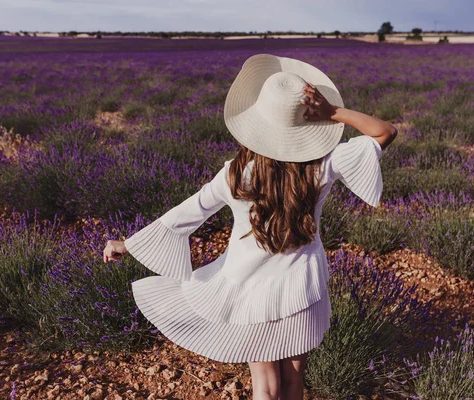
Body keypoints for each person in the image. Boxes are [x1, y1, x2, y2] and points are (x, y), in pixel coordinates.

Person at [103, 54, 397, 400]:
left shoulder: (234, 173)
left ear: (257, 122)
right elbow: (385, 132)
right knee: (293, 380)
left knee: (265, 385)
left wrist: (129, 244)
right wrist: (333, 112)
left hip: (249, 292)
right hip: (302, 289)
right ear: (306, 123)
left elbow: (187, 213)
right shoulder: (321, 167)